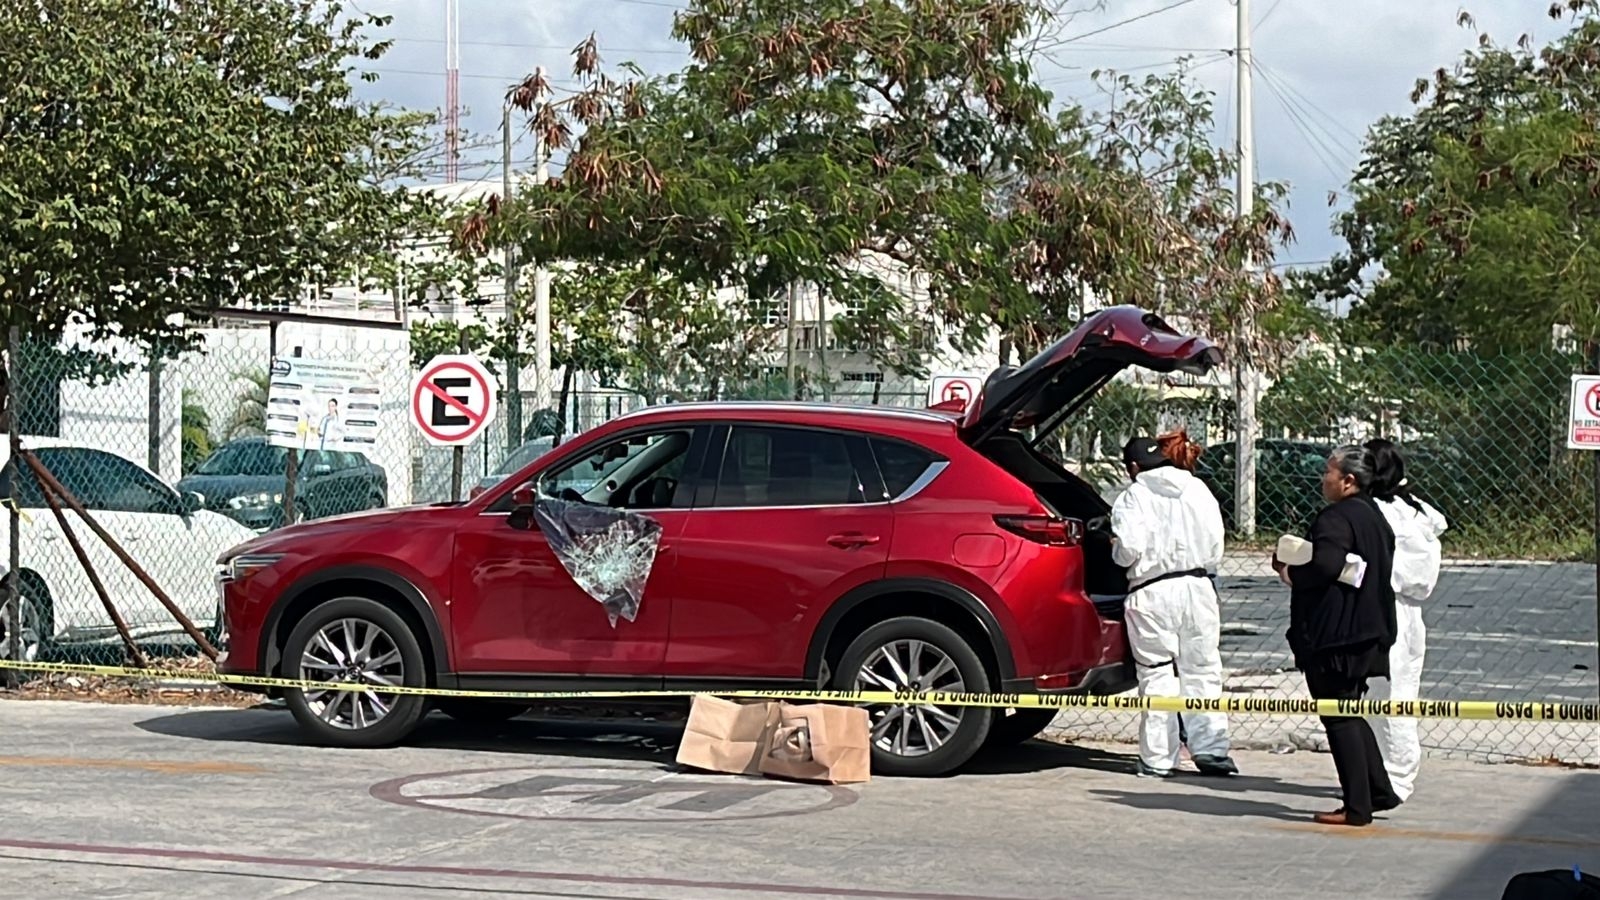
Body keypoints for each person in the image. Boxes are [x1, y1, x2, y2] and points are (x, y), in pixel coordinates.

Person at [1273, 445, 1399, 827]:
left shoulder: (1336, 517)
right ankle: (1377, 790)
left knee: (1338, 716)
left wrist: (1289, 573)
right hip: (1368, 628)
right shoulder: (1373, 516)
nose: (1322, 478)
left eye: (1329, 471)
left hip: (1337, 636)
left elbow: (1326, 564)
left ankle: (1357, 807)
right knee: (1348, 710)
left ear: (1348, 480)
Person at [1109, 430, 1237, 778]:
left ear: (1133, 467)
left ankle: (1159, 759)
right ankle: (1211, 749)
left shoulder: (1133, 496)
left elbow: (1128, 551)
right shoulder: (1198, 488)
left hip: (1151, 592)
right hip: (1198, 587)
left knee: (1156, 674)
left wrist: (1113, 547)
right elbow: (1215, 546)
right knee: (1203, 671)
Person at [1363, 438, 1448, 805]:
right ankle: (1386, 773)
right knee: (1394, 692)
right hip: (1409, 613)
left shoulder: (1382, 514)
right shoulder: (1416, 512)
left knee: (1388, 695)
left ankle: (1395, 779)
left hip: (1386, 609)